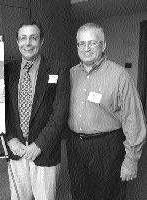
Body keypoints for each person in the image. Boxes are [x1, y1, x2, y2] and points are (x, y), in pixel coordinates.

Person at [67, 23, 146, 200]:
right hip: (75, 146)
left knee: (108, 194)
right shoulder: (71, 74)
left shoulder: (119, 76)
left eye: (93, 43)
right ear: (77, 46)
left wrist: (131, 160)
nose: (86, 48)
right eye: (81, 43)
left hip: (107, 147)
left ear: (103, 45)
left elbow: (134, 119)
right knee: (79, 192)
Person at [4, 21, 70, 200]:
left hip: (45, 150)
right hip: (16, 149)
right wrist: (10, 139)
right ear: (17, 42)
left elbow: (60, 113)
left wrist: (39, 145)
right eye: (23, 38)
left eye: (33, 38)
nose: (28, 43)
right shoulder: (7, 70)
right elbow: (1, 110)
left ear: (42, 41)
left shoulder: (58, 69)